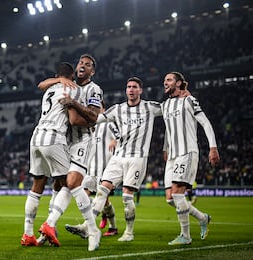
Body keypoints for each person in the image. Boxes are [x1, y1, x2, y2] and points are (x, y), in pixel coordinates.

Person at [71, 77, 163, 242]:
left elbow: (169, 109)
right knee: (102, 190)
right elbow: (95, 119)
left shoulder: (149, 107)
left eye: (135, 87)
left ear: (140, 90)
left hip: (137, 158)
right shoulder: (117, 110)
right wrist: (76, 112)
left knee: (127, 197)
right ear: (126, 90)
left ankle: (129, 232)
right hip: (118, 156)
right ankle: (87, 227)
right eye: (129, 87)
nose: (131, 90)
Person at [38, 54, 103, 251]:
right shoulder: (66, 85)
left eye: (88, 65)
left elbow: (92, 117)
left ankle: (92, 230)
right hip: (64, 141)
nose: (83, 65)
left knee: (73, 182)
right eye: (81, 63)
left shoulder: (94, 89)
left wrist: (73, 103)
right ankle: (49, 226)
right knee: (62, 184)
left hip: (83, 140)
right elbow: (41, 84)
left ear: (92, 71)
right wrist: (60, 79)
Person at [21, 62, 82, 246]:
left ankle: (28, 234)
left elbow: (40, 84)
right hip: (54, 138)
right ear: (71, 76)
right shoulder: (72, 89)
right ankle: (49, 224)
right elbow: (73, 119)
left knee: (37, 184)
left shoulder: (49, 89)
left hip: (36, 137)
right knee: (70, 184)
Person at [161, 71, 220, 245]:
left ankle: (185, 236)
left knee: (178, 195)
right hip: (172, 156)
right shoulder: (165, 106)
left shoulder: (189, 100)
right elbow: (168, 128)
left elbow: (205, 122)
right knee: (170, 198)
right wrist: (165, 147)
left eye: (169, 79)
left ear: (178, 83)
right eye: (164, 80)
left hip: (187, 152)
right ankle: (203, 218)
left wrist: (213, 147)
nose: (165, 82)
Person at [65, 102, 120, 237]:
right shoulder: (89, 125)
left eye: (98, 108)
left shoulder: (109, 124)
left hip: (104, 169)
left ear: (104, 109)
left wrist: (116, 141)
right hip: (91, 169)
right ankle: (92, 222)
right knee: (83, 194)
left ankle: (112, 227)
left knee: (104, 200)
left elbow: (122, 136)